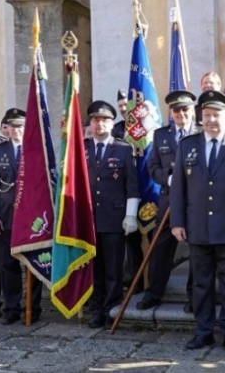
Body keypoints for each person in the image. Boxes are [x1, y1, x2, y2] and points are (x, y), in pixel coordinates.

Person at [170, 90, 225, 354]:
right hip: (197, 226)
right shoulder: (188, 145)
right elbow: (178, 190)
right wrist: (177, 222)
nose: (211, 120)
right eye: (206, 115)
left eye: (216, 115)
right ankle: (204, 331)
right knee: (201, 283)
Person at [137, 90, 199, 311]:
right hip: (168, 200)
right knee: (160, 248)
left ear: (192, 111)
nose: (181, 114)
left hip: (195, 202)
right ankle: (154, 293)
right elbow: (152, 167)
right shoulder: (161, 135)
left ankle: (194, 298)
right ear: (171, 113)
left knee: (197, 251)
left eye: (185, 109)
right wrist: (169, 178)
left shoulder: (200, 133)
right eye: (176, 110)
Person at [84, 101, 140, 328]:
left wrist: (131, 215)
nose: (100, 124)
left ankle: (111, 309)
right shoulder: (81, 148)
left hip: (114, 218)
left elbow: (132, 186)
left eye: (105, 120)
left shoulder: (124, 149)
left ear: (111, 123)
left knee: (114, 269)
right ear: (90, 122)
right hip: (87, 219)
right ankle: (96, 308)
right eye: (96, 120)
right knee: (94, 268)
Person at [0, 109, 42, 324]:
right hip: (6, 218)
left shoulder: (38, 150)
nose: (16, 131)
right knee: (8, 265)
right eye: (13, 127)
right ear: (7, 129)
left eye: (21, 127)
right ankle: (11, 309)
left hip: (34, 220)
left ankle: (33, 308)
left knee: (34, 266)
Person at [110, 89, 144, 291]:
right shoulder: (116, 130)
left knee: (136, 243)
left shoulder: (144, 126)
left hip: (144, 189)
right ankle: (128, 278)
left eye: (127, 105)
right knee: (122, 242)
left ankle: (139, 280)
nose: (124, 109)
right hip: (119, 193)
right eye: (121, 106)